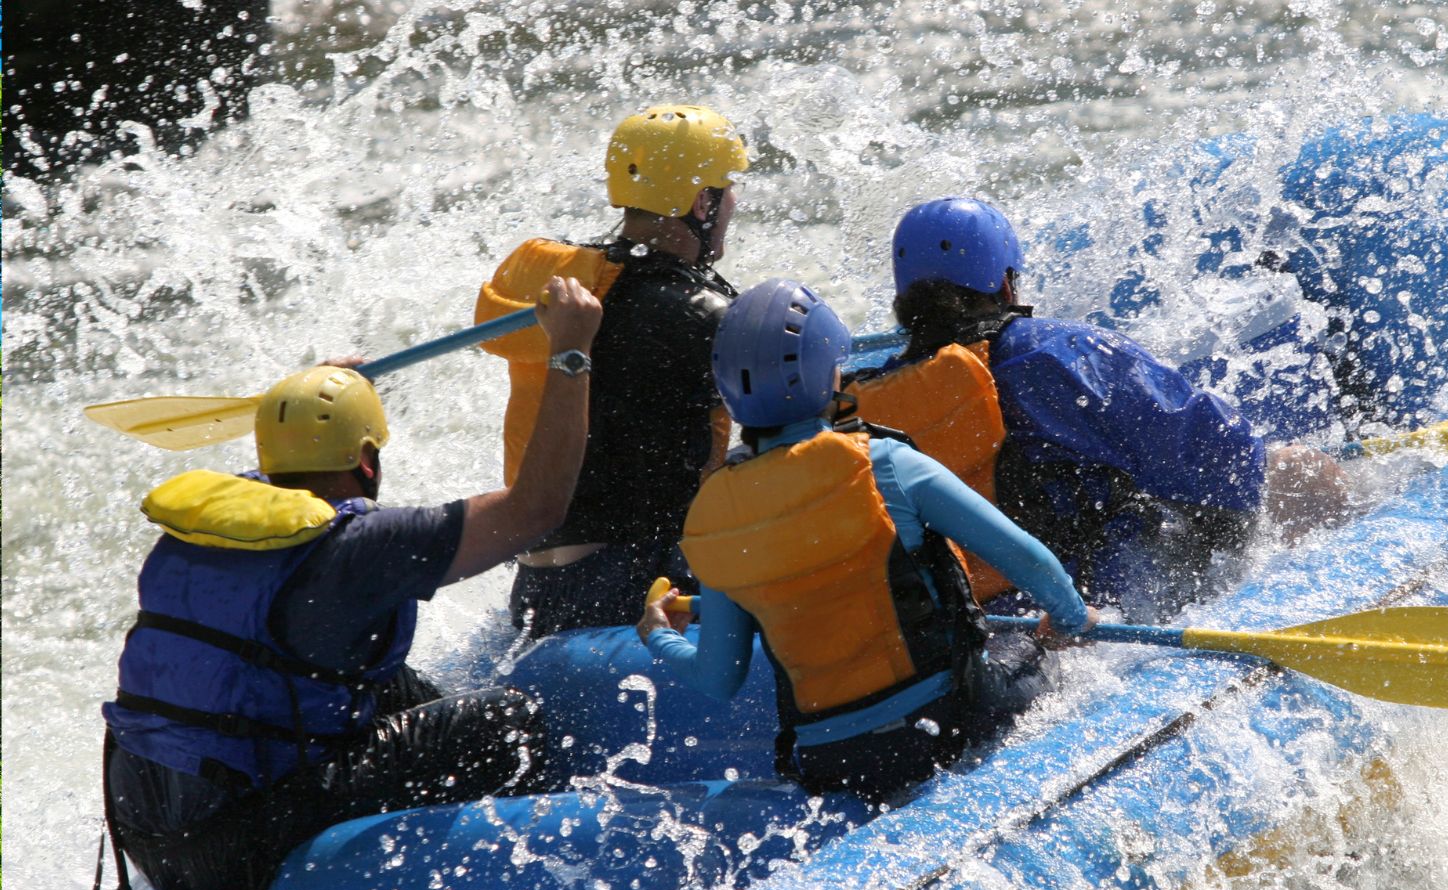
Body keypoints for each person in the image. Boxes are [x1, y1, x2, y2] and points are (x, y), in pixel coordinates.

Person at [98, 277, 601, 890]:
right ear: (366, 462)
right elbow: (537, 510)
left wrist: (316, 395)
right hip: (237, 859)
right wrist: (571, 352)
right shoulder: (361, 548)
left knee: (395, 687)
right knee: (506, 722)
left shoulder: (211, 516)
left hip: (150, 839)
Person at [638, 279, 1096, 806]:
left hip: (829, 762)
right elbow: (1028, 560)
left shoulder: (711, 516)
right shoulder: (884, 464)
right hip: (943, 724)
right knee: (1038, 649)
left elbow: (719, 677)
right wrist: (1068, 622)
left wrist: (657, 635)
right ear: (822, 374)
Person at [851, 197, 1352, 618]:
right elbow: (1224, 462)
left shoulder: (868, 400)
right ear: (1005, 285)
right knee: (1301, 471)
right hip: (1090, 605)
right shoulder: (1054, 353)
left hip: (972, 624)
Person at [472, 104, 748, 639]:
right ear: (702, 202)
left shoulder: (575, 285)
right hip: (633, 583)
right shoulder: (698, 315)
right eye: (727, 187)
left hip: (536, 590)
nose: (734, 201)